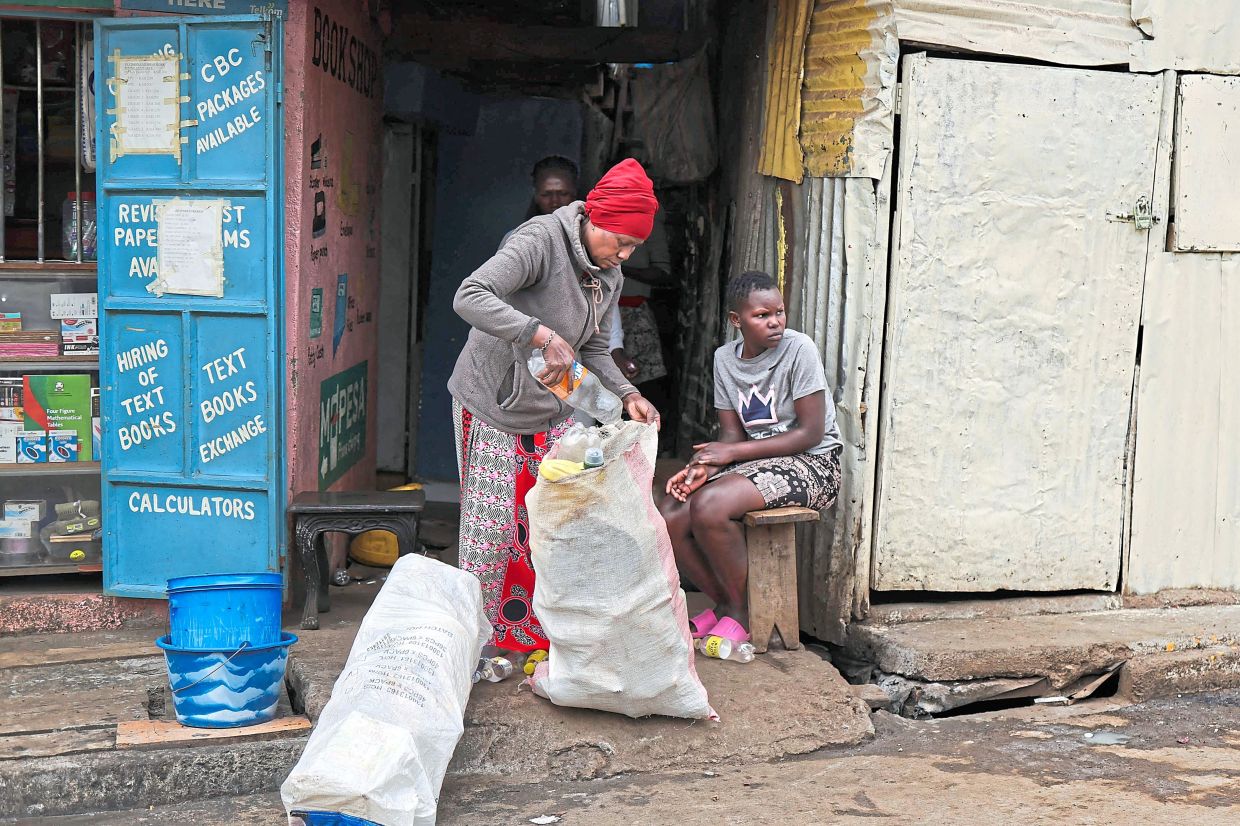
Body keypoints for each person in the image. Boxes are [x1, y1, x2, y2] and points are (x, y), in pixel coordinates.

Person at [450, 158, 662, 654]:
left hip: (549, 410)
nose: (626, 255)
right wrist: (539, 333)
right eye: (621, 241)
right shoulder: (539, 241)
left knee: (543, 525)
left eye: (635, 247)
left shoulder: (606, 274)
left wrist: (628, 395)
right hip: (492, 403)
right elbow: (469, 295)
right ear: (594, 217)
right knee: (492, 532)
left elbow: (589, 348)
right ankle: (469, 647)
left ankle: (522, 640)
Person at [659, 270, 842, 648]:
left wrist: (729, 455)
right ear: (736, 320)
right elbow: (731, 435)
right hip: (758, 461)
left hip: (814, 464)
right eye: (762, 315)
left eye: (779, 312)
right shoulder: (725, 359)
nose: (774, 321)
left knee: (710, 505)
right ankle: (726, 603)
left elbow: (811, 432)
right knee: (671, 513)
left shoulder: (798, 349)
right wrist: (703, 466)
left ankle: (741, 614)